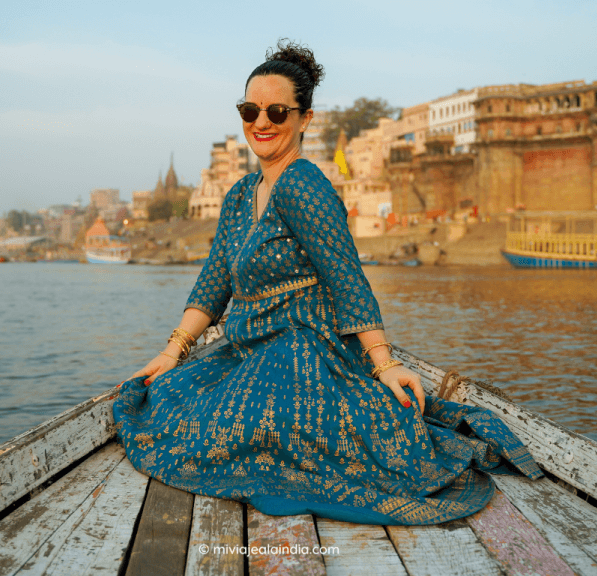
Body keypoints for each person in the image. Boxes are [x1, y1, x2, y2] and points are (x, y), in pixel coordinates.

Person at [114, 40, 541, 525]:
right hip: (246, 348)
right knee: (165, 398)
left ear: (304, 119)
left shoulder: (304, 184)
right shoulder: (238, 196)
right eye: (250, 110)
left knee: (251, 427)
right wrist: (173, 351)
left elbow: (346, 279)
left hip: (303, 348)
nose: (262, 122)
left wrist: (384, 366)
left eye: (277, 111)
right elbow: (214, 282)